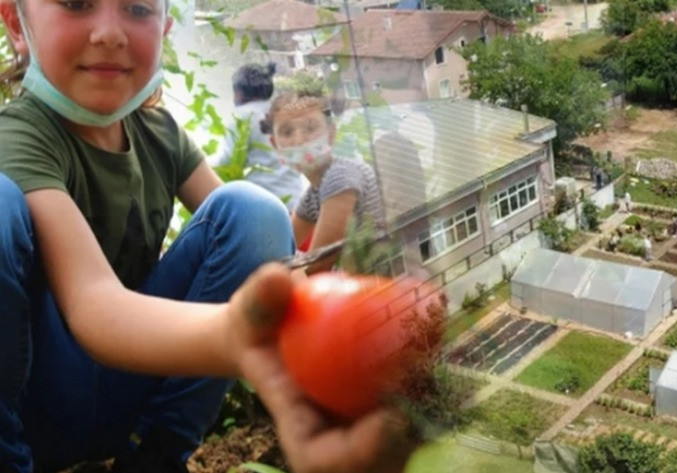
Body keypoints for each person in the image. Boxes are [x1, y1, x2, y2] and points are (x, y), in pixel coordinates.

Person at [0, 1, 412, 472]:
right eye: (76, 3)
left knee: (254, 212)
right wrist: (240, 335)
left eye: (137, 8)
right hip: (42, 408)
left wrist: (332, 331)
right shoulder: (21, 138)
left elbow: (258, 247)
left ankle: (155, 458)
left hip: (129, 386)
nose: (109, 33)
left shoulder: (158, 131)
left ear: (165, 29)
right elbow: (93, 305)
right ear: (16, 22)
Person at [264, 91, 386, 275]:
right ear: (275, 145)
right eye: (287, 132)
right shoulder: (313, 194)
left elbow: (316, 266)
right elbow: (282, 248)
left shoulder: (341, 176)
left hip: (377, 287)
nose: (300, 139)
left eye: (311, 128)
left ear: (331, 134)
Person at [216, 62, 308, 210]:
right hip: (294, 204)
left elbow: (225, 162)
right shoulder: (284, 113)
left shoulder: (241, 117)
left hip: (261, 207)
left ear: (239, 92)